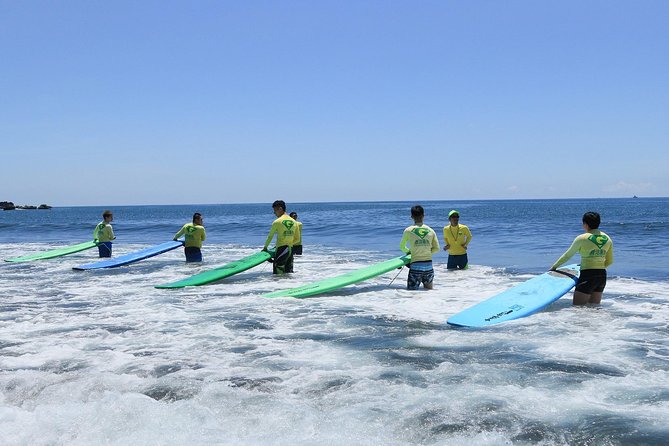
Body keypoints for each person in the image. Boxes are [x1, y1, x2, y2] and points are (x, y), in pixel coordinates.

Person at [551, 211, 614, 305]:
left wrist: (554, 267)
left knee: (578, 308)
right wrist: (598, 268)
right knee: (594, 308)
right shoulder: (607, 238)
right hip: (601, 276)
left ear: (585, 224)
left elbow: (568, 255)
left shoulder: (582, 238)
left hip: (587, 275)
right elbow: (610, 261)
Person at [400, 205, 440, 290]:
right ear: (423, 215)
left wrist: (410, 252)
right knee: (428, 292)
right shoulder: (431, 230)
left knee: (412, 294)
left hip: (416, 266)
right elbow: (437, 248)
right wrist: (426, 252)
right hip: (429, 266)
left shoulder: (408, 230)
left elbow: (402, 247)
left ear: (411, 217)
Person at [263, 200, 297, 274]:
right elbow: (296, 238)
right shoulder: (294, 222)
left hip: (281, 249)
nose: (274, 213)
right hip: (290, 250)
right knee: (289, 273)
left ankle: (277, 285)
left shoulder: (277, 221)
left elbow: (270, 236)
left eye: (275, 210)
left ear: (280, 209)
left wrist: (265, 248)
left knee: (278, 273)